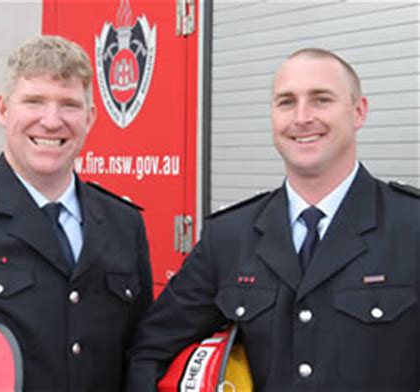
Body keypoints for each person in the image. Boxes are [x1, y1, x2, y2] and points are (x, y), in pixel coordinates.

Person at [125, 48, 419, 391]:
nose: (302, 117)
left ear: (358, 112)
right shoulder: (230, 237)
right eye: (286, 102)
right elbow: (149, 349)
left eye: (321, 99)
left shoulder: (410, 226)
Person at [0, 35, 153, 392]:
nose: (52, 121)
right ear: (2, 109)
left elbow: (141, 351)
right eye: (34, 101)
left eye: (69, 105)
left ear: (89, 118)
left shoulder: (123, 223)